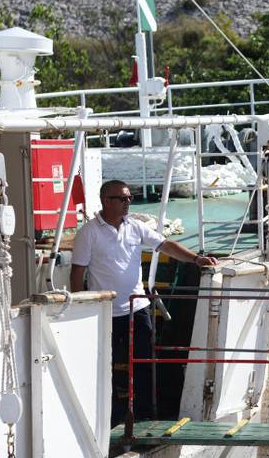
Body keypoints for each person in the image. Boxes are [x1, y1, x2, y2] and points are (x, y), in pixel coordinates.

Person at [70, 180, 219, 426]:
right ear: (107, 201)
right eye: (123, 198)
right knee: (104, 366)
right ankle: (110, 416)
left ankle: (143, 416)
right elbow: (77, 273)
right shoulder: (89, 233)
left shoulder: (136, 227)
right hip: (105, 312)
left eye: (129, 198)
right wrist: (80, 307)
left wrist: (196, 259)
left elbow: (165, 244)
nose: (128, 202)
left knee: (143, 363)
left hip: (137, 308)